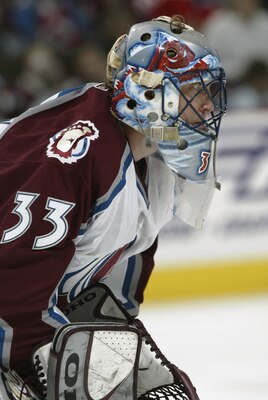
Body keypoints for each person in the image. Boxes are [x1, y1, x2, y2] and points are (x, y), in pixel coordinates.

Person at [0, 15, 227, 400]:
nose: (208, 105)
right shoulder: (73, 155)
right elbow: (9, 288)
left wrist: (113, 360)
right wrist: (45, 376)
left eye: (210, 90)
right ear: (149, 94)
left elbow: (103, 299)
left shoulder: (153, 164)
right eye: (194, 89)